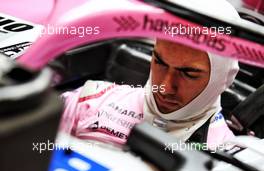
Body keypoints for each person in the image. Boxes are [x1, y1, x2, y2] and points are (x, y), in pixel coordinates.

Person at [59, 0, 240, 149]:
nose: (166, 87)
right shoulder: (90, 101)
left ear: (221, 77)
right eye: (160, 62)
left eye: (188, 74)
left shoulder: (228, 157)